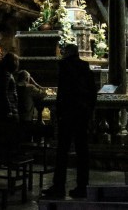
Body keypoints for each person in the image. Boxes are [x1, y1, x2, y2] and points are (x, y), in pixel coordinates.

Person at [41, 43, 97, 200]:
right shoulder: (85, 67)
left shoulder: (64, 66)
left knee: (62, 152)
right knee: (82, 151)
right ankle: (82, 186)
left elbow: (63, 91)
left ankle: (59, 187)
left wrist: (59, 113)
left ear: (67, 53)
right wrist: (89, 111)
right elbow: (93, 92)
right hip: (82, 113)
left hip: (67, 113)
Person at [0, 52, 20, 120]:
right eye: (16, 61)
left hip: (7, 106)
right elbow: (3, 92)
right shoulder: (6, 74)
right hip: (8, 107)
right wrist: (9, 110)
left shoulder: (4, 72)